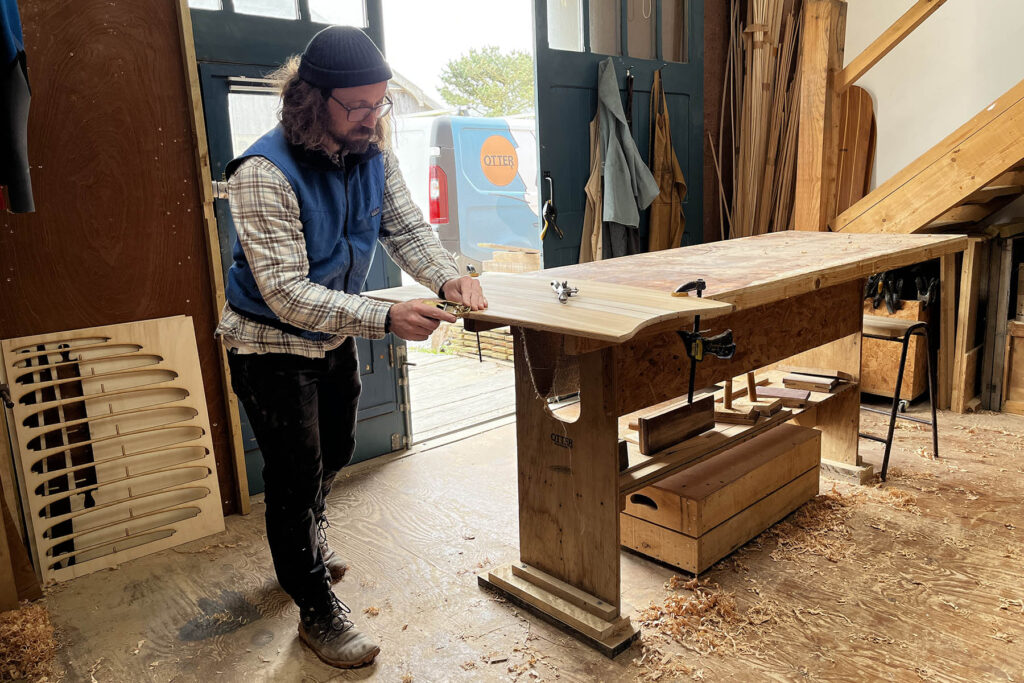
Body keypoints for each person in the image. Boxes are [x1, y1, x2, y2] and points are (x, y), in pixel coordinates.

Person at [215, 25, 486, 669]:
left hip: (331, 333)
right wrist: (387, 316)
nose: (373, 118)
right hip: (269, 344)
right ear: (312, 100)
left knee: (336, 447)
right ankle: (314, 607)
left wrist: (448, 273)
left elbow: (405, 230)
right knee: (292, 472)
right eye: (358, 106)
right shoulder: (261, 172)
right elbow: (285, 294)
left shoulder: (373, 156)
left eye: (380, 102)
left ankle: (306, 534)